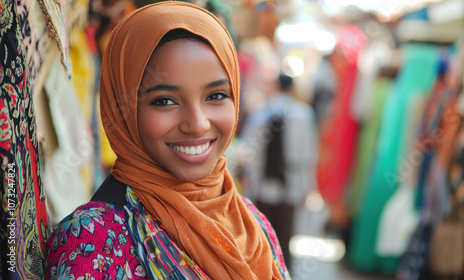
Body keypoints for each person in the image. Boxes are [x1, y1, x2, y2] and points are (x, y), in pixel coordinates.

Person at [44, 2, 290, 279]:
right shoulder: (92, 240)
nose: (197, 124)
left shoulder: (253, 224)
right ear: (124, 110)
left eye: (216, 96)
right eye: (164, 101)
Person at [240, 73, 318, 265]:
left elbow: (248, 152)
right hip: (291, 185)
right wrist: (308, 188)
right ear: (292, 88)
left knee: (262, 236)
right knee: (285, 238)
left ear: (275, 86)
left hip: (261, 186)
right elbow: (310, 155)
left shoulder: (258, 114)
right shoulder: (304, 114)